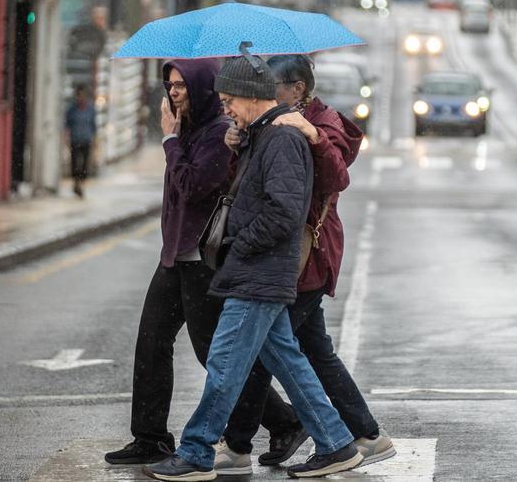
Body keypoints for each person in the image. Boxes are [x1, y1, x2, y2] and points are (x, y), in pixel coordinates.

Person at [145, 56, 362, 481]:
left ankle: (196, 451)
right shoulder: (260, 134)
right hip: (260, 271)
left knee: (225, 365)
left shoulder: (282, 139)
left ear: (251, 96)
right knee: (289, 362)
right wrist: (238, 145)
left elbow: (283, 212)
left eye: (229, 100)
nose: (224, 107)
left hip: (260, 272)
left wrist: (239, 245)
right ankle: (336, 443)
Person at [105, 59, 298, 468]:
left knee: (214, 354)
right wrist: (175, 140)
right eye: (169, 86)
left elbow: (193, 187)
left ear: (203, 89)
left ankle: (286, 421)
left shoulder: (214, 134)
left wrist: (169, 142)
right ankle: (150, 436)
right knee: (152, 342)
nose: (173, 93)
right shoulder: (189, 131)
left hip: (202, 259)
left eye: (181, 87)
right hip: (175, 254)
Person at [217, 55, 393, 473]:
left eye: (272, 87)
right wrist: (237, 145)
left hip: (307, 253)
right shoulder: (271, 121)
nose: (262, 94)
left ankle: (239, 443)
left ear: (297, 88)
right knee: (311, 349)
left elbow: (336, 177)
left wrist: (312, 133)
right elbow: (251, 185)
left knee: (263, 349)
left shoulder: (320, 121)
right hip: (292, 254)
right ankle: (366, 434)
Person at [65, 85, 97, 198]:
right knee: (75, 163)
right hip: (75, 140)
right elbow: (67, 125)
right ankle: (76, 183)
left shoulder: (91, 109)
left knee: (84, 165)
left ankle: (81, 184)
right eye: (79, 95)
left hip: (86, 140)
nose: (81, 98)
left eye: (83, 95)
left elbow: (93, 126)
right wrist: (66, 138)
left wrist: (94, 140)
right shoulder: (72, 109)